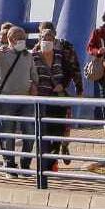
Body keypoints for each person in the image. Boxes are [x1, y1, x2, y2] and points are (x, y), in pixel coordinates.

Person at [0, 24, 37, 175]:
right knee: (7, 133)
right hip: (6, 101)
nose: (22, 40)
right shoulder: (1, 53)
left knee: (30, 132)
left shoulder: (28, 56)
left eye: (23, 37)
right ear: (10, 39)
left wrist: (34, 85)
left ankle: (25, 163)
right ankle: (9, 165)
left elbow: (34, 75)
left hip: (25, 100)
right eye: (19, 38)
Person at [31, 21, 83, 171]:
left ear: (54, 34)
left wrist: (78, 87)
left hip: (59, 92)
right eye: (43, 34)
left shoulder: (65, 47)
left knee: (62, 126)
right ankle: (49, 162)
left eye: (50, 34)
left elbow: (73, 67)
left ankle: (62, 147)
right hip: (43, 96)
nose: (46, 38)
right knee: (46, 129)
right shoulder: (35, 51)